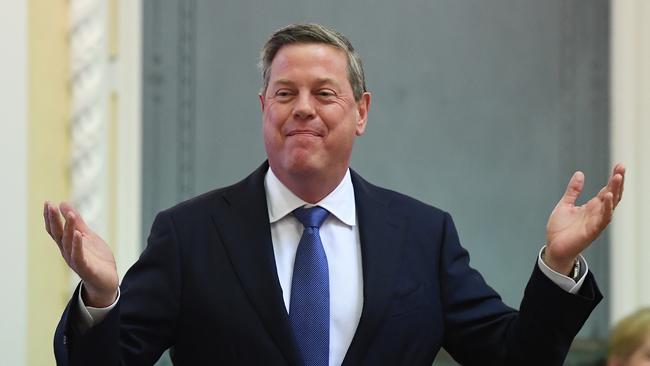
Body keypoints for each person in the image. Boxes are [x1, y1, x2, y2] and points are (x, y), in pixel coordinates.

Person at [45, 23, 626, 365]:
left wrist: (556, 264)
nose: (303, 108)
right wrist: (100, 296)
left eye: (324, 92)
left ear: (361, 112)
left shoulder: (423, 236)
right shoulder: (190, 234)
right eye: (284, 93)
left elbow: (515, 359)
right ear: (262, 109)